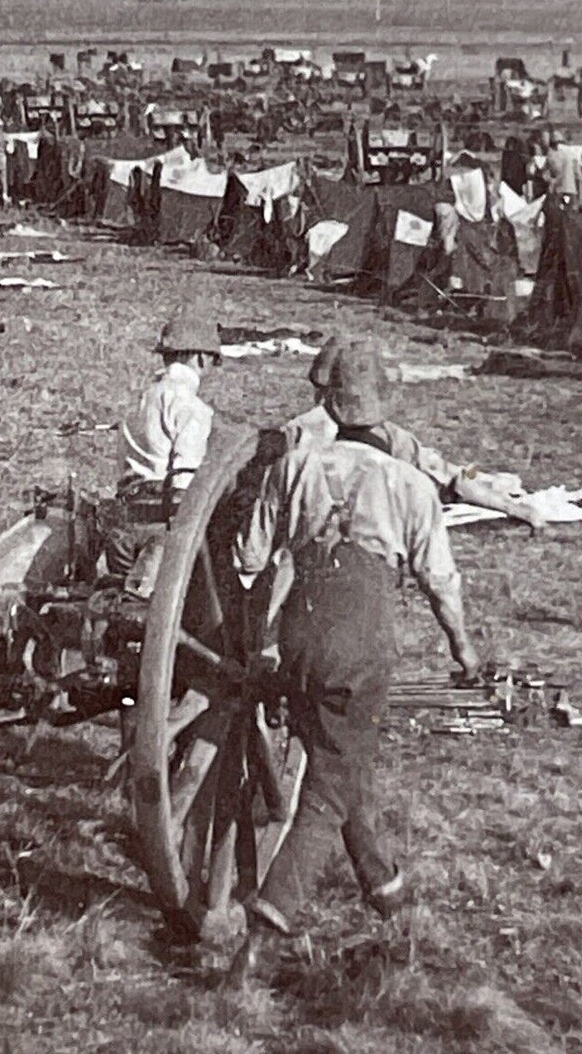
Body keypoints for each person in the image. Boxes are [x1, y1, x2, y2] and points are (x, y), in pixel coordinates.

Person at [227, 339, 480, 984]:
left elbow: (251, 559)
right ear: (383, 412)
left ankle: (384, 885)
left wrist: (262, 637)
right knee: (330, 786)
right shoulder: (409, 483)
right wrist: (465, 652)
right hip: (361, 645)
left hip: (298, 640)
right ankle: (268, 926)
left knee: (341, 756)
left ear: (331, 406)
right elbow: (441, 583)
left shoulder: (295, 466)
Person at [285, 339, 547, 531]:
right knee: (468, 473)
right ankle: (488, 476)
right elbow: (453, 477)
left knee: (474, 473)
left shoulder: (295, 430)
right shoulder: (386, 435)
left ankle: (488, 476)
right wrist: (513, 508)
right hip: (424, 489)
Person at [100, 316, 220, 597]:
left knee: (120, 605)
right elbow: (183, 480)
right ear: (202, 358)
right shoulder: (191, 407)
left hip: (123, 521)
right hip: (161, 524)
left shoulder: (141, 399)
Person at [544, 131, 581, 203]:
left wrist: (552, 181)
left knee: (558, 210)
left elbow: (558, 170)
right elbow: (578, 173)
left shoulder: (555, 154)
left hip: (561, 189)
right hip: (571, 189)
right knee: (569, 210)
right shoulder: (571, 152)